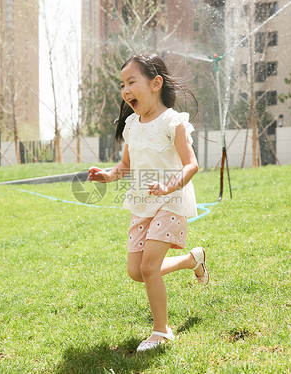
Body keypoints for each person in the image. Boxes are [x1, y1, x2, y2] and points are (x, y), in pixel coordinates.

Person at [88, 53, 209, 352]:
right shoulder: (131, 124)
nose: (125, 90)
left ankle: (161, 331)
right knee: (136, 271)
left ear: (156, 83)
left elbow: (191, 164)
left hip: (171, 201)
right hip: (142, 203)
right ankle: (193, 259)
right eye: (122, 85)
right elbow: (125, 166)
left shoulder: (174, 122)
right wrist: (107, 176)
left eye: (131, 82)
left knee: (150, 268)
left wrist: (169, 186)